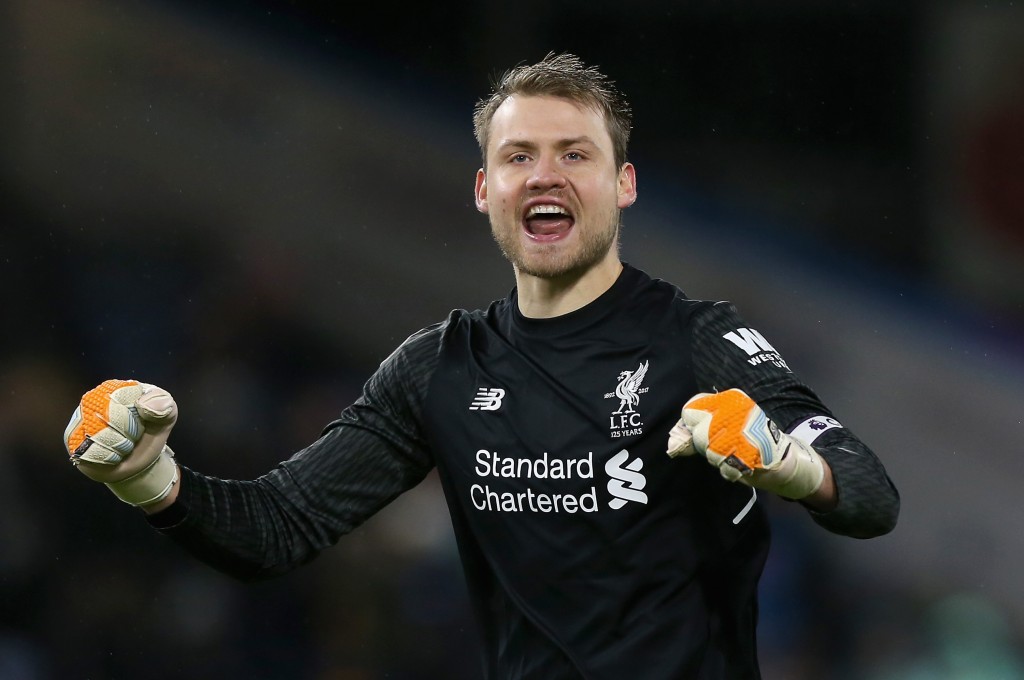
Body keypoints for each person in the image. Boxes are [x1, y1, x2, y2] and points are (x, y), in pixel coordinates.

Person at [63, 52, 899, 679]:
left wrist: (786, 463)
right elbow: (275, 529)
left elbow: (870, 495)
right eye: (518, 156)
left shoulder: (699, 341)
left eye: (576, 155)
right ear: (483, 188)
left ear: (625, 184)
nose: (545, 176)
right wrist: (147, 478)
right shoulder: (440, 367)